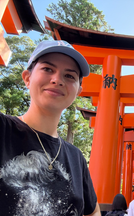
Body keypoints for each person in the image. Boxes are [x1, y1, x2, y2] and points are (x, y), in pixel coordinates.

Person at [0, 40, 100, 215]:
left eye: (69, 76)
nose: (57, 80)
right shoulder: (3, 129)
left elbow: (93, 211)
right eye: (48, 69)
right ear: (27, 78)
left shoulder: (76, 157)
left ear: (78, 91)